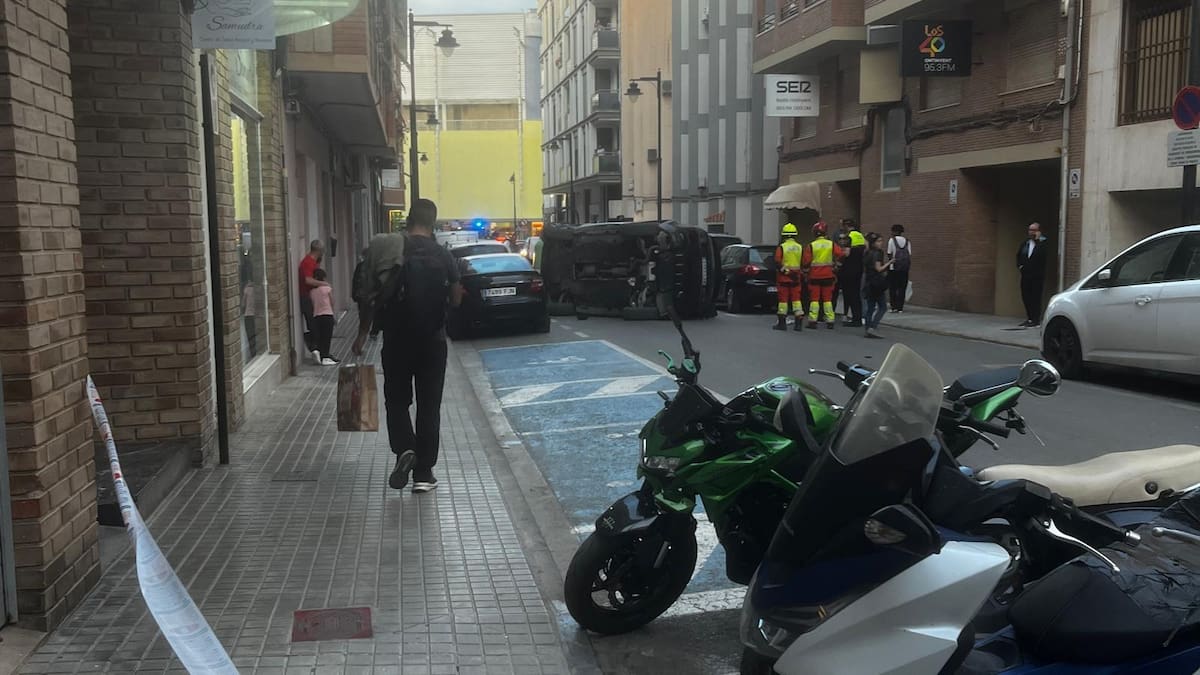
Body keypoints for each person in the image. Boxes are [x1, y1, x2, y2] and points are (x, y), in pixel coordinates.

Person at [353, 199, 463, 494]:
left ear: (409, 219)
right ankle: (424, 474)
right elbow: (456, 298)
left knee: (397, 400)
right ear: (433, 222)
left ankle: (405, 448)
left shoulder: (391, 249)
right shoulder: (443, 254)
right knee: (429, 406)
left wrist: (362, 334)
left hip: (396, 339)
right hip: (433, 342)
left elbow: (369, 295)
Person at [802, 221, 845, 329]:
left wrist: (806, 271)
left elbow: (806, 262)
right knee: (827, 300)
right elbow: (841, 254)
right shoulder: (831, 244)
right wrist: (837, 265)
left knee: (814, 299)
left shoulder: (811, 246)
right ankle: (830, 321)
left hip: (814, 276)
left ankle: (813, 321)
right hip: (828, 276)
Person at [298, 239, 330, 363]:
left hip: (312, 296)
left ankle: (320, 350)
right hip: (306, 297)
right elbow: (308, 280)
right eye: (322, 251)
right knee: (313, 323)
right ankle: (314, 347)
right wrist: (324, 284)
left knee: (317, 323)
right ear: (319, 250)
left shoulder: (313, 263)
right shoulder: (308, 263)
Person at [773, 223, 805, 332]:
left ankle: (782, 324)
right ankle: (798, 324)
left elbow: (777, 262)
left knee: (783, 301)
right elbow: (804, 262)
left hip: (784, 279)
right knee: (796, 301)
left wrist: (786, 272)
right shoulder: (800, 247)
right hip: (796, 278)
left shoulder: (782, 247)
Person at [1017, 221, 1050, 328]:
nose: (1031, 232)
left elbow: (1043, 255)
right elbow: (1018, 256)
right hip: (1025, 275)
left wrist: (1038, 240)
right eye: (1030, 230)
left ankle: (1036, 319)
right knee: (1026, 296)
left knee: (1035, 297)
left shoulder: (1043, 243)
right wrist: (1020, 266)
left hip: (1037, 276)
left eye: (1034, 230)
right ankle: (1030, 318)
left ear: (1039, 231)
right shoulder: (1025, 243)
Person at [863, 233, 891, 339]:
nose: (881, 243)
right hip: (877, 283)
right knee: (882, 307)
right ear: (873, 243)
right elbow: (879, 268)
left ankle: (867, 329)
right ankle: (872, 327)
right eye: (878, 241)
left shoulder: (867, 253)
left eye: (881, 241)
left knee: (870, 307)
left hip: (869, 282)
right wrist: (889, 263)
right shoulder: (878, 253)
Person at [309, 269, 338, 366]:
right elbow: (332, 302)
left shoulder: (312, 292)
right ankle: (325, 357)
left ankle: (318, 352)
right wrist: (334, 315)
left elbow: (313, 304)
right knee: (327, 337)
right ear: (324, 278)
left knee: (320, 337)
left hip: (317, 316)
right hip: (327, 315)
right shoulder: (327, 289)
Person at [840, 219, 865, 327]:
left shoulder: (849, 237)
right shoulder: (860, 236)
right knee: (856, 295)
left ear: (846, 226)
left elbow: (845, 254)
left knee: (849, 295)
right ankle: (857, 317)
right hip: (858, 269)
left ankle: (853, 318)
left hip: (849, 270)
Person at [886, 224, 911, 313]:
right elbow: (909, 254)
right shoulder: (907, 241)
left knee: (893, 288)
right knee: (902, 288)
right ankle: (900, 307)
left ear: (894, 231)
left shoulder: (891, 240)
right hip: (904, 268)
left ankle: (894, 307)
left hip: (893, 268)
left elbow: (889, 253)